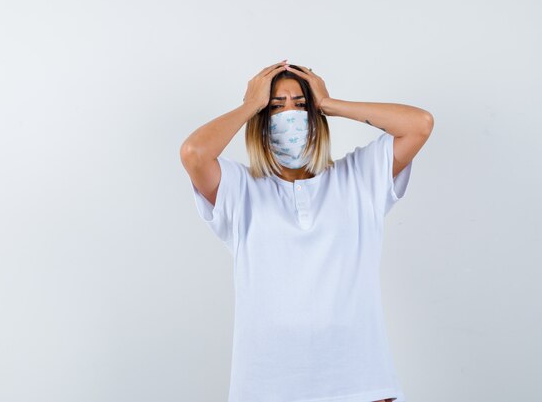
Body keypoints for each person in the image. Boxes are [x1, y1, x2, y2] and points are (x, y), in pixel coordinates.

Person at [179, 60, 433, 402]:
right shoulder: (240, 191)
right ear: (260, 121)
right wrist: (250, 104)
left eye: (300, 105)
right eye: (275, 107)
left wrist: (330, 104)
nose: (289, 116)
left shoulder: (359, 178)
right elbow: (194, 154)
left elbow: (419, 125)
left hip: (361, 382)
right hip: (267, 386)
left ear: (315, 118)